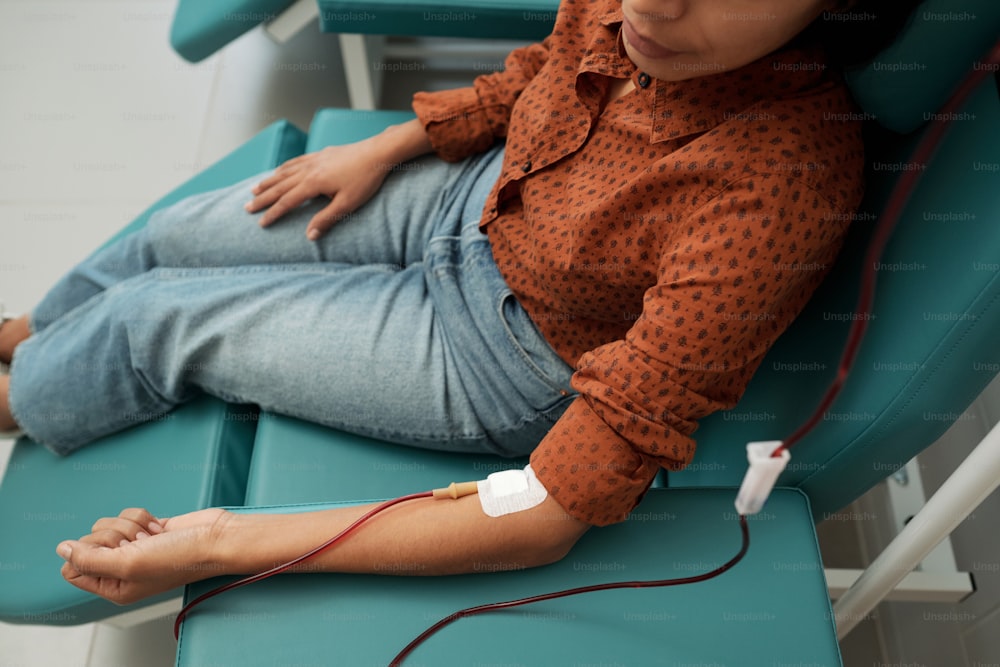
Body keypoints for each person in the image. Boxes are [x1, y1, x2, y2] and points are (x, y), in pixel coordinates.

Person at [0, 0, 922, 604]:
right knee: (173, 235)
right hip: (479, 196)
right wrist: (392, 145)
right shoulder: (634, 12)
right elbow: (539, 70)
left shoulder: (774, 187)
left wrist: (217, 545)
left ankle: (22, 395)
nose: (650, 3)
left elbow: (549, 513)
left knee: (158, 315)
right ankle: (34, 335)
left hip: (503, 352)